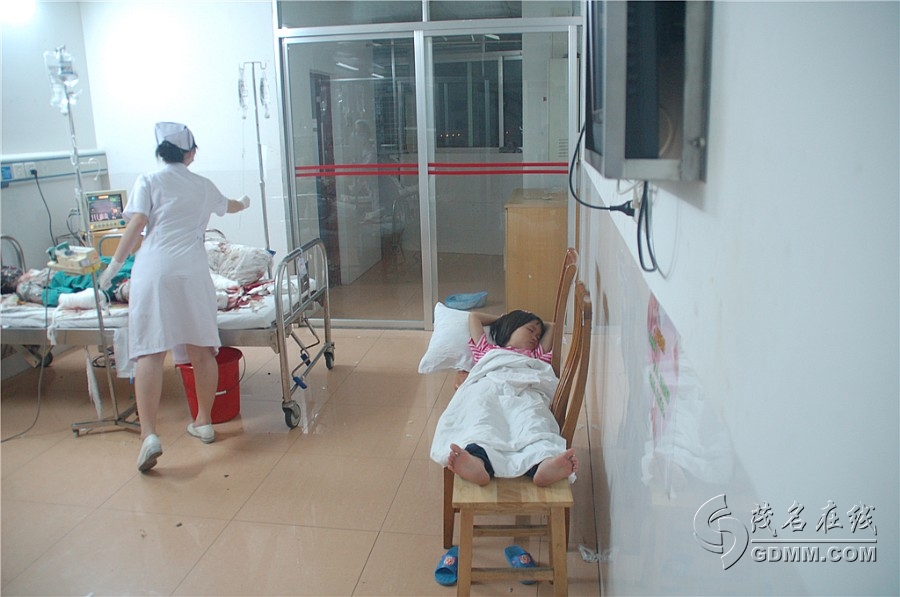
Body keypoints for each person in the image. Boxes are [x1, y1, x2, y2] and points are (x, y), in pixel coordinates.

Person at [98, 122, 251, 473]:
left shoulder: (148, 181)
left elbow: (138, 222)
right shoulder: (203, 185)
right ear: (191, 153)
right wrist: (243, 202)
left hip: (154, 271)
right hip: (192, 272)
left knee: (150, 352)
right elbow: (230, 205)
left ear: (161, 152)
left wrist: (113, 266)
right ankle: (204, 421)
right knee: (202, 349)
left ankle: (149, 435)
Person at [435, 309, 578, 488]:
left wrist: (535, 325)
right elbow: (474, 317)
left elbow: (552, 327)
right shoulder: (487, 350)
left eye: (538, 335)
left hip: (525, 391)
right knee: (483, 419)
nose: (535, 338)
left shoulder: (536, 355)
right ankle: (477, 463)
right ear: (510, 327)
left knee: (532, 420)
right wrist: (503, 320)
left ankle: (544, 464)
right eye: (530, 330)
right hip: (488, 389)